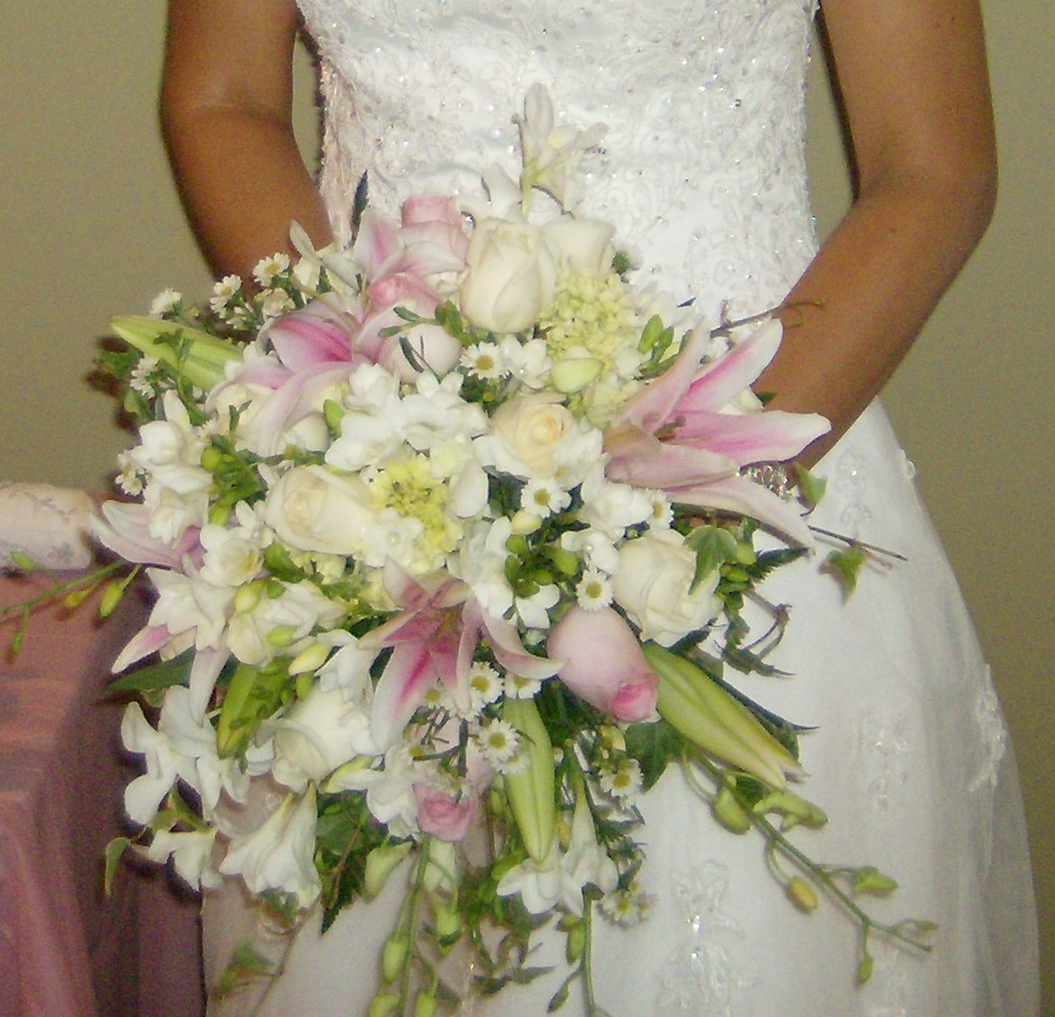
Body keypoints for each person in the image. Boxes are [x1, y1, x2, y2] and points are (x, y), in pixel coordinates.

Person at [159, 1, 1039, 1015]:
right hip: (370, 516)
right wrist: (366, 413)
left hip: (755, 490)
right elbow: (220, 98)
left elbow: (929, 168)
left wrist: (689, 498)